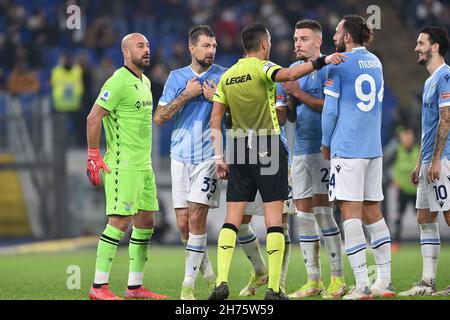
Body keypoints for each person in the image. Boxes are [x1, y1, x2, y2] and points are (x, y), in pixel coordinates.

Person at [208, 23, 344, 300]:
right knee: (274, 220)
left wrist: (219, 157)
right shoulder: (263, 67)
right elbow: (291, 74)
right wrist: (323, 60)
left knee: (231, 219)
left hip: (236, 148)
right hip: (266, 146)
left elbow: (214, 120)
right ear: (264, 45)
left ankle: (221, 282)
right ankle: (274, 288)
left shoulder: (228, 75)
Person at [86, 33, 167, 300]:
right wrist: (93, 154)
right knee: (119, 222)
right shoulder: (118, 81)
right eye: (140, 46)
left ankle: (134, 287)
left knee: (146, 222)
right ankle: (98, 287)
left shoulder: (144, 81)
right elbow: (93, 117)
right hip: (123, 165)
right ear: (125, 51)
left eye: (147, 45)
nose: (146, 50)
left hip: (144, 165)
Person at [321, 15, 395, 300]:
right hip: (372, 148)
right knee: (373, 213)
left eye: (338, 32)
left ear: (348, 37)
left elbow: (330, 110)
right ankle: (384, 282)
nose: (335, 37)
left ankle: (362, 285)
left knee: (349, 213)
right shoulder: (376, 62)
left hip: (348, 147)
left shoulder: (339, 63)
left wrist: (326, 142)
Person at [154, 25, 226, 300]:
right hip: (180, 157)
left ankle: (187, 286)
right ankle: (209, 276)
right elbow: (159, 118)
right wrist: (187, 94)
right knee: (183, 226)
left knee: (197, 219)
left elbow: (234, 118)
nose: (211, 51)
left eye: (214, 46)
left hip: (208, 158)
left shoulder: (223, 77)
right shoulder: (177, 78)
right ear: (191, 48)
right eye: (206, 46)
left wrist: (215, 98)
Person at [279, 19, 345, 299]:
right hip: (300, 150)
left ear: (319, 42)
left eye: (304, 38)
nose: (297, 43)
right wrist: (290, 103)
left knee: (323, 213)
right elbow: (291, 117)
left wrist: (298, 94)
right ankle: (313, 280)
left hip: (324, 150)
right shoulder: (292, 71)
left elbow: (331, 107)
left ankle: (338, 279)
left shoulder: (331, 67)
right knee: (303, 217)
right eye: (295, 38)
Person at [400, 26, 450, 297]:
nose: (416, 48)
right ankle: (428, 281)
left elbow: (447, 119)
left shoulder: (446, 76)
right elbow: (428, 128)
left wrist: (437, 159)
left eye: (421, 43)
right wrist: (421, 161)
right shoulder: (429, 81)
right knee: (424, 217)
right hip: (430, 161)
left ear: (435, 47)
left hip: (445, 160)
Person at [237, 90, 295, 297]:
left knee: (280, 222)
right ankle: (261, 270)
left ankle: (279, 283)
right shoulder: (238, 78)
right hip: (246, 152)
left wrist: (250, 103)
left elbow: (280, 117)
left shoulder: (272, 79)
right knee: (240, 221)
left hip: (274, 154)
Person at [391, 128, 419, 250]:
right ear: (402, 138)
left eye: (410, 137)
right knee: (398, 216)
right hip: (402, 190)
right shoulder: (397, 151)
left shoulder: (419, 150)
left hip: (416, 190)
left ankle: (425, 240)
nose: (408, 139)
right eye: (406, 137)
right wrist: (393, 180)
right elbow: (385, 166)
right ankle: (396, 242)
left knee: (421, 217)